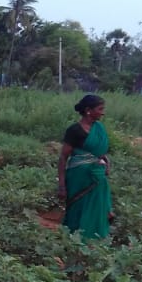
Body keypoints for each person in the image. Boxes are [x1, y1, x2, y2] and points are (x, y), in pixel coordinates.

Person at [56, 94, 113, 239]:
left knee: (96, 209)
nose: (103, 112)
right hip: (78, 178)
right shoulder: (74, 130)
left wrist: (106, 161)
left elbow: (99, 152)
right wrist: (61, 185)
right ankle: (74, 243)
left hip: (97, 175)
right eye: (100, 109)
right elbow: (63, 158)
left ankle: (93, 244)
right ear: (88, 110)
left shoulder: (99, 128)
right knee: (77, 209)